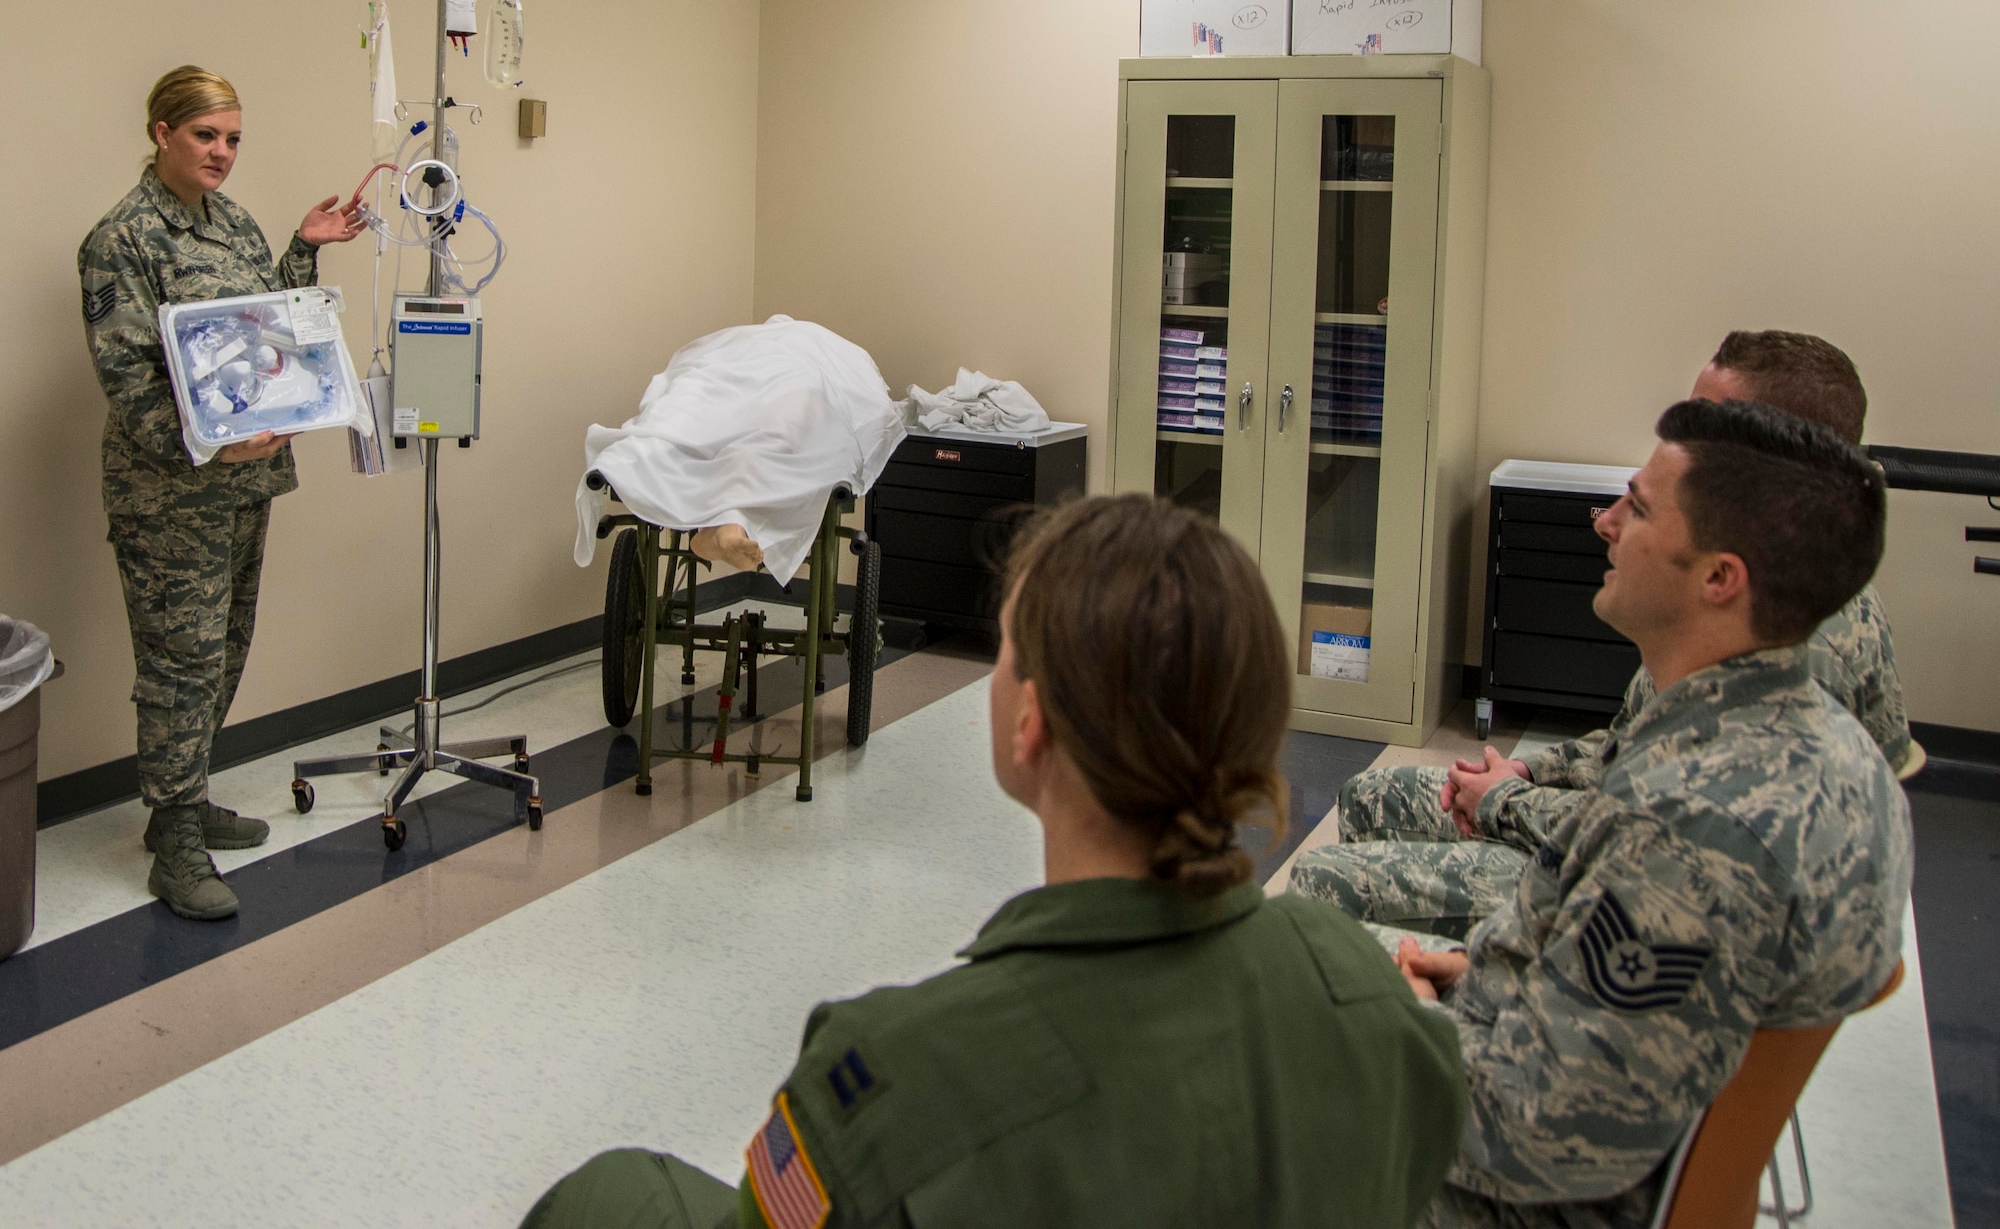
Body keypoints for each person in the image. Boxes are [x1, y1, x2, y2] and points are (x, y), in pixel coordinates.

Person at [523, 495, 1468, 1228]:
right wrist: (1369, 997)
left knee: (609, 1193)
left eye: (1006, 650)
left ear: (1032, 724)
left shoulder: (890, 1073)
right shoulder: (1373, 1000)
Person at [1392, 401, 1911, 1227]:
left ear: (1718, 577)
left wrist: (1403, 1025)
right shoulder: (1820, 743)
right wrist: (1486, 974)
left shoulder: (1695, 828)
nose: (1607, 525)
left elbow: (1524, 1130)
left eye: (1636, 506)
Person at [1291, 329, 1914, 937]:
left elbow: (1664, 842)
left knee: (1322, 881)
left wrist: (1503, 805)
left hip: (1630, 886)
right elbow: (1632, 749)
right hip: (1607, 830)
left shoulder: (1796, 641)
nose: (1609, 525)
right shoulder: (1741, 597)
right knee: (1370, 795)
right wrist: (1530, 775)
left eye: (1707, 427)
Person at [79, 65, 365, 920]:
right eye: (206, 135)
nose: (222, 152)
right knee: (180, 663)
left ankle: (189, 795)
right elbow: (127, 378)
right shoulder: (121, 239)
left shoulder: (231, 222)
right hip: (170, 493)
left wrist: (302, 247)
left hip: (245, 486)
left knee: (226, 647)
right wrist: (212, 446)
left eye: (234, 138)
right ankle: (173, 840)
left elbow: (261, 325)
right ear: (162, 132)